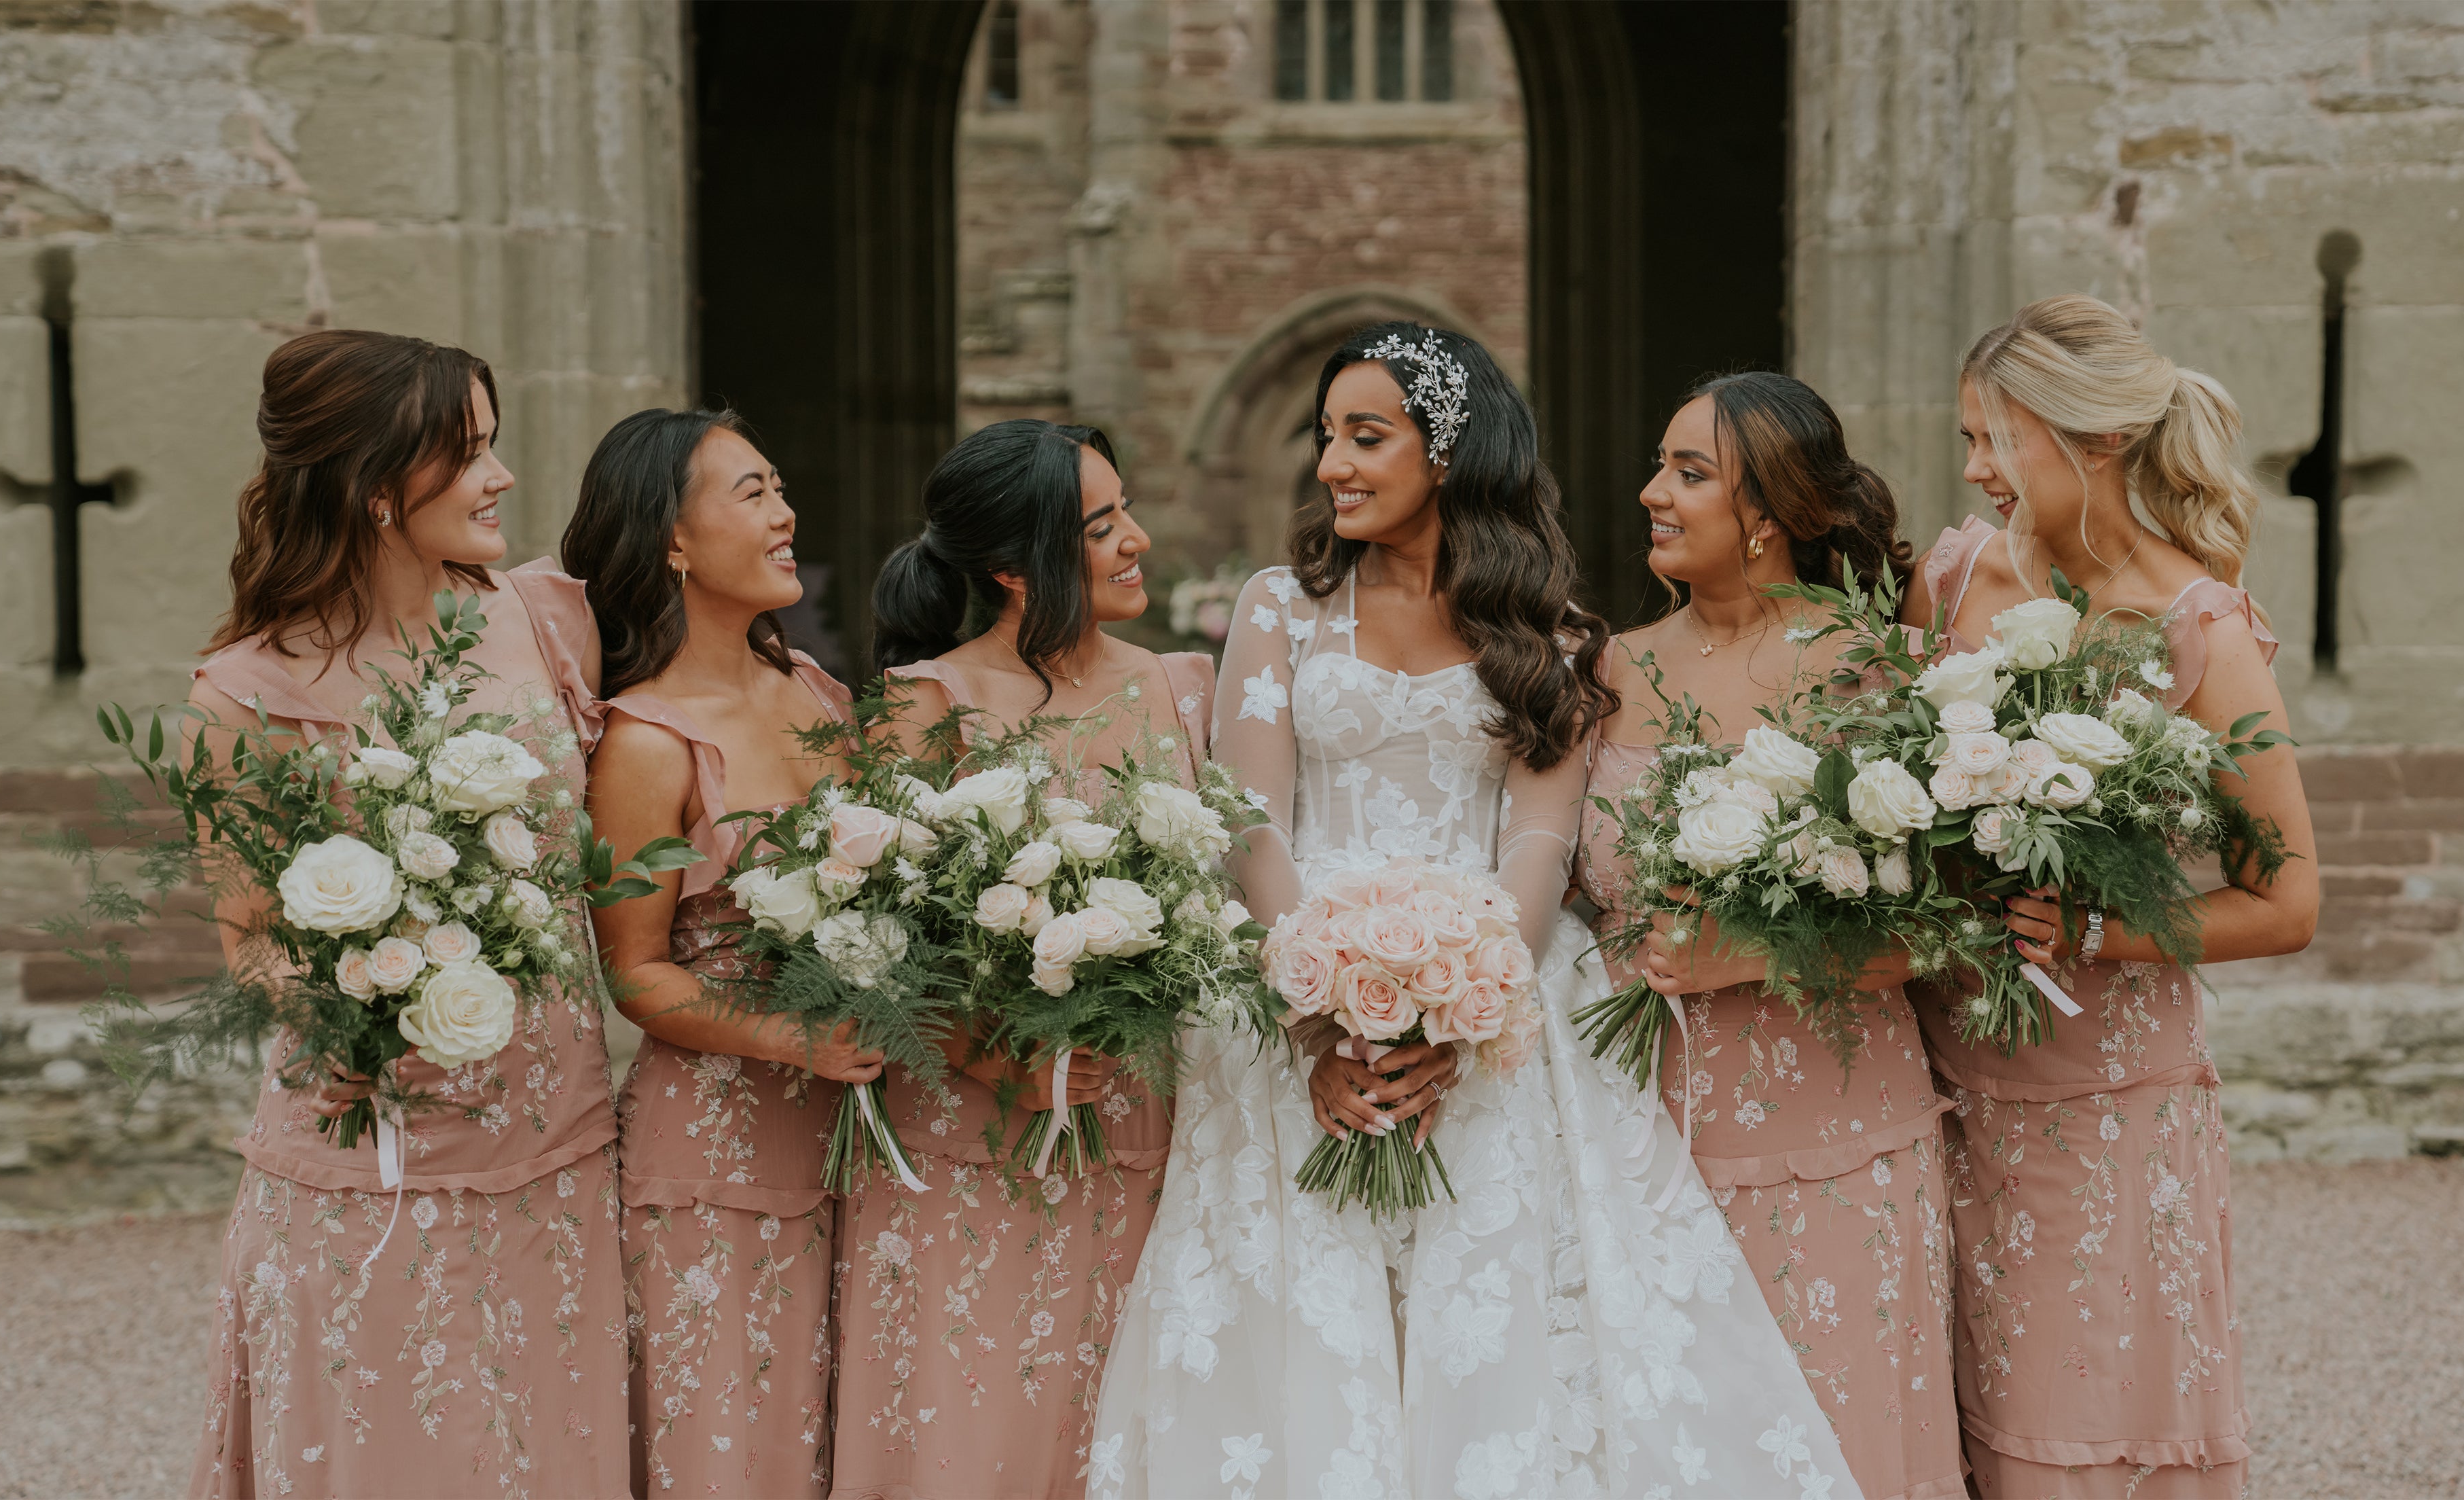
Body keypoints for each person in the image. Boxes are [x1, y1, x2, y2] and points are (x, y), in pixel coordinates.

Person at [1093, 323, 1861, 1498]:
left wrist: (1457, 1001)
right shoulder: (1278, 609)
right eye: (1324, 438)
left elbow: (1541, 843)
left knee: (1500, 1335)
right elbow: (1249, 816)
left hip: (1498, 1011)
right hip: (1289, 994)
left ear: (1447, 453)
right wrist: (1321, 1014)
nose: (1332, 466)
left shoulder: (1553, 635)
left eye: (1366, 437)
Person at [184, 329, 628, 1499]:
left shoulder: (544, 618)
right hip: (370, 1146)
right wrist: (356, 1011)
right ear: (381, 490)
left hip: (554, 1145)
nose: (502, 478)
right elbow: (248, 938)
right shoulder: (244, 693)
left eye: (493, 446)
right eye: (471, 453)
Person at [1901, 293, 2319, 1499]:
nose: (1973, 470)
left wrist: (2096, 928)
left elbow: (2284, 902)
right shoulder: (1956, 572)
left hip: (2100, 1092)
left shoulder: (2201, 633)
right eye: (1969, 441)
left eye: (1994, 440)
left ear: (2090, 443)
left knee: (2071, 1418)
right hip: (1930, 1061)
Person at [1574, 372, 1963, 1500]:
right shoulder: (1615, 668)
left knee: (1838, 1444)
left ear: (1769, 510)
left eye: (1689, 473)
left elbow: (1950, 930)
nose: (1652, 491)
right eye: (1659, 465)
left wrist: (1746, 954)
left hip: (1829, 1137)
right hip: (1640, 1134)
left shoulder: (1860, 665)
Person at [827, 418, 1202, 1498]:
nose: (1134, 538)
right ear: (1009, 568)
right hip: (972, 1127)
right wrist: (998, 1057)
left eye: (1124, 510)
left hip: (1140, 1120)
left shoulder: (1179, 687)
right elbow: (870, 940)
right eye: (1099, 526)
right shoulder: (923, 703)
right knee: (970, 1431)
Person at [563, 408, 882, 1496]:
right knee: (731, 1451)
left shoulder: (816, 694)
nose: (786, 513)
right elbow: (636, 974)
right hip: (716, 1155)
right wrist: (797, 1039)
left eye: (779, 486)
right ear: (672, 540)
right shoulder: (646, 742)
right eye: (751, 494)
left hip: (859, 1130)